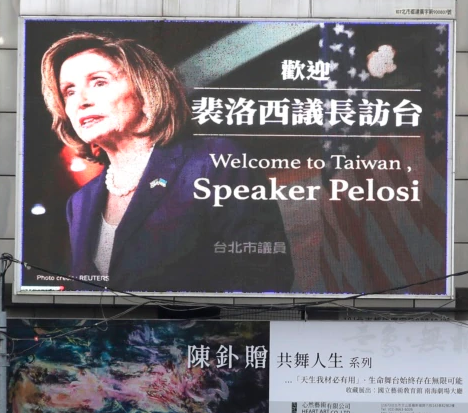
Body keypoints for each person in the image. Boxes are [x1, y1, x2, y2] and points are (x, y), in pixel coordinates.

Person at [40, 32, 294, 294]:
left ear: (145, 90)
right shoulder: (79, 203)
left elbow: (265, 279)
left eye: (99, 82)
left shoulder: (213, 162)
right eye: (69, 91)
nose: (81, 101)